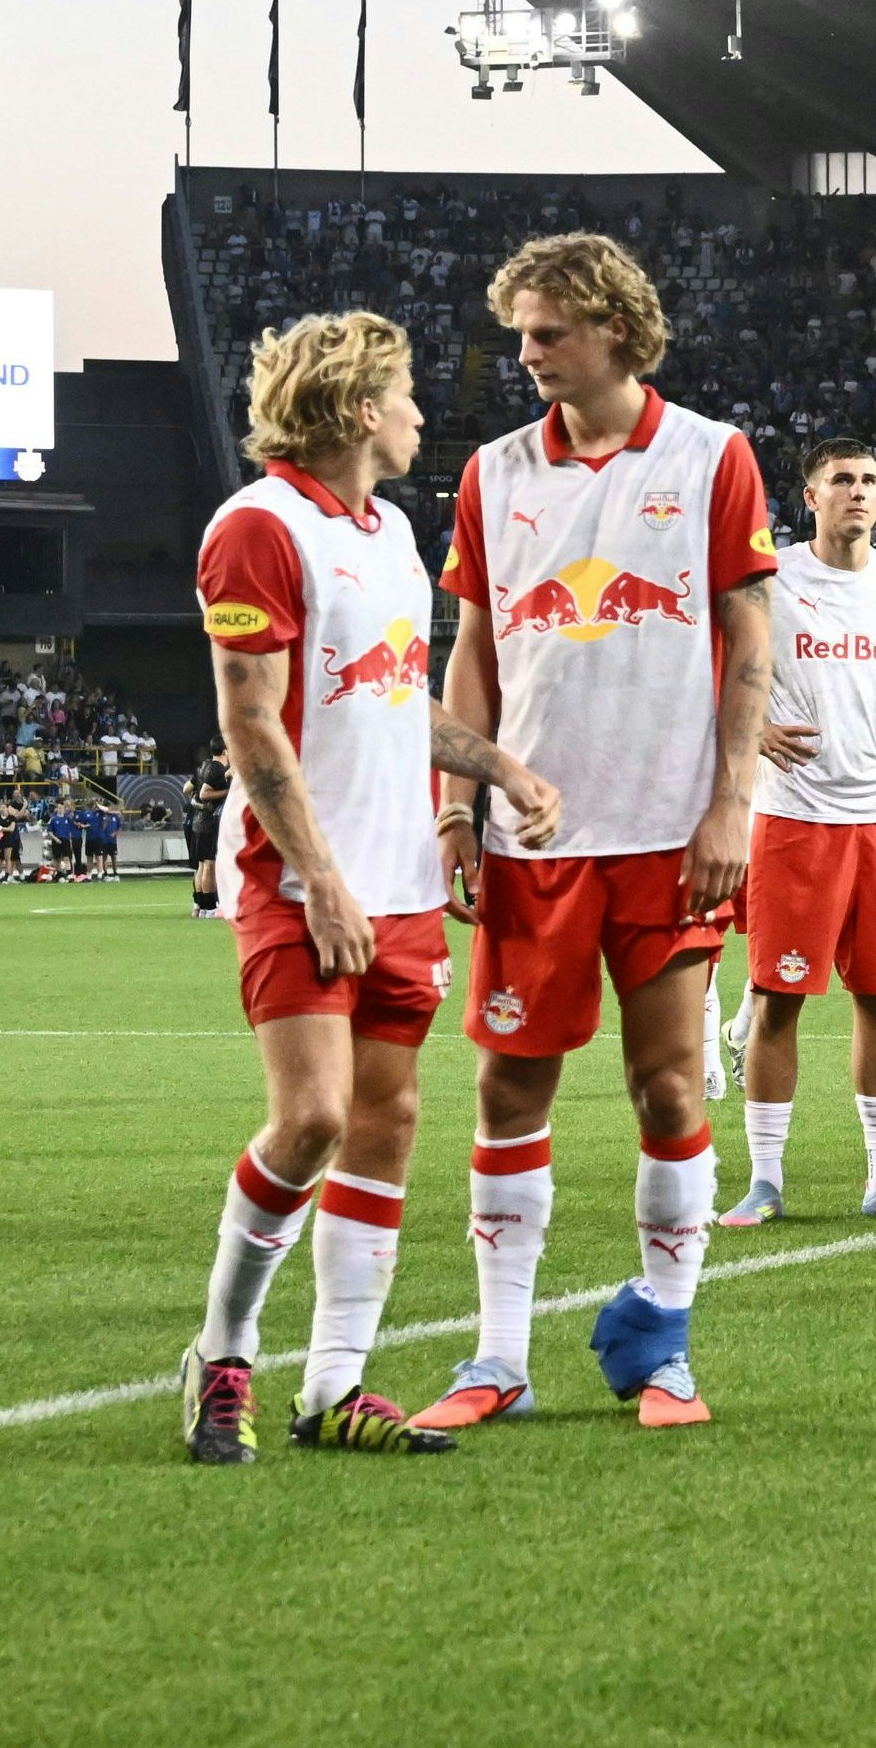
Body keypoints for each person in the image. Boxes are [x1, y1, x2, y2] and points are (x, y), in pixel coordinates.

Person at [181, 310, 562, 1462]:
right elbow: (249, 725)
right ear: (357, 410)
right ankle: (224, 1357)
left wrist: (494, 766)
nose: (416, 415)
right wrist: (321, 880)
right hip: (307, 885)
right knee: (310, 1120)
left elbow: (398, 699)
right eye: (402, 396)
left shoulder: (391, 530)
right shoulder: (257, 528)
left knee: (386, 1124)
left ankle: (335, 1387)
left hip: (398, 884)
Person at [417, 234, 774, 1434]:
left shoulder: (714, 457)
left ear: (618, 328)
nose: (524, 355)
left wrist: (731, 801)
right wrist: (458, 807)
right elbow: (470, 650)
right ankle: (498, 1357)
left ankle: (664, 1343)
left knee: (667, 1083)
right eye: (519, 333)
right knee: (509, 1083)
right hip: (533, 834)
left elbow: (748, 641)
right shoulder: (492, 472)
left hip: (669, 830)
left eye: (547, 333)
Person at [717, 438, 876, 1231]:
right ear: (811, 496)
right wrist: (751, 731)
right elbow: (710, 659)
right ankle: (763, 1180)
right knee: (781, 1001)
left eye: (870, 481)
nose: (860, 492)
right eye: (843, 481)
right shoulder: (774, 577)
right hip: (794, 819)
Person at [187, 744, 235, 916]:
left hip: (197, 822)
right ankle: (209, 908)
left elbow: (187, 788)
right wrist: (227, 791)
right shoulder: (216, 769)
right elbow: (204, 794)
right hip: (209, 822)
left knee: (201, 866)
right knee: (209, 865)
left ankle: (199, 906)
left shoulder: (202, 767)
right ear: (224, 751)